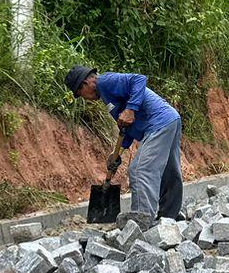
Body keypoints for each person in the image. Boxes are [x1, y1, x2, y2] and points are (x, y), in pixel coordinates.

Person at [65, 65, 183, 221]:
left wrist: (130, 109)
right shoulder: (106, 94)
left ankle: (142, 221)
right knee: (170, 172)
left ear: (86, 83)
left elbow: (139, 79)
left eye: (80, 94)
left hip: (159, 123)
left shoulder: (105, 81)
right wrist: (117, 154)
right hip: (170, 120)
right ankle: (169, 217)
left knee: (140, 170)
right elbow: (127, 127)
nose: (85, 98)